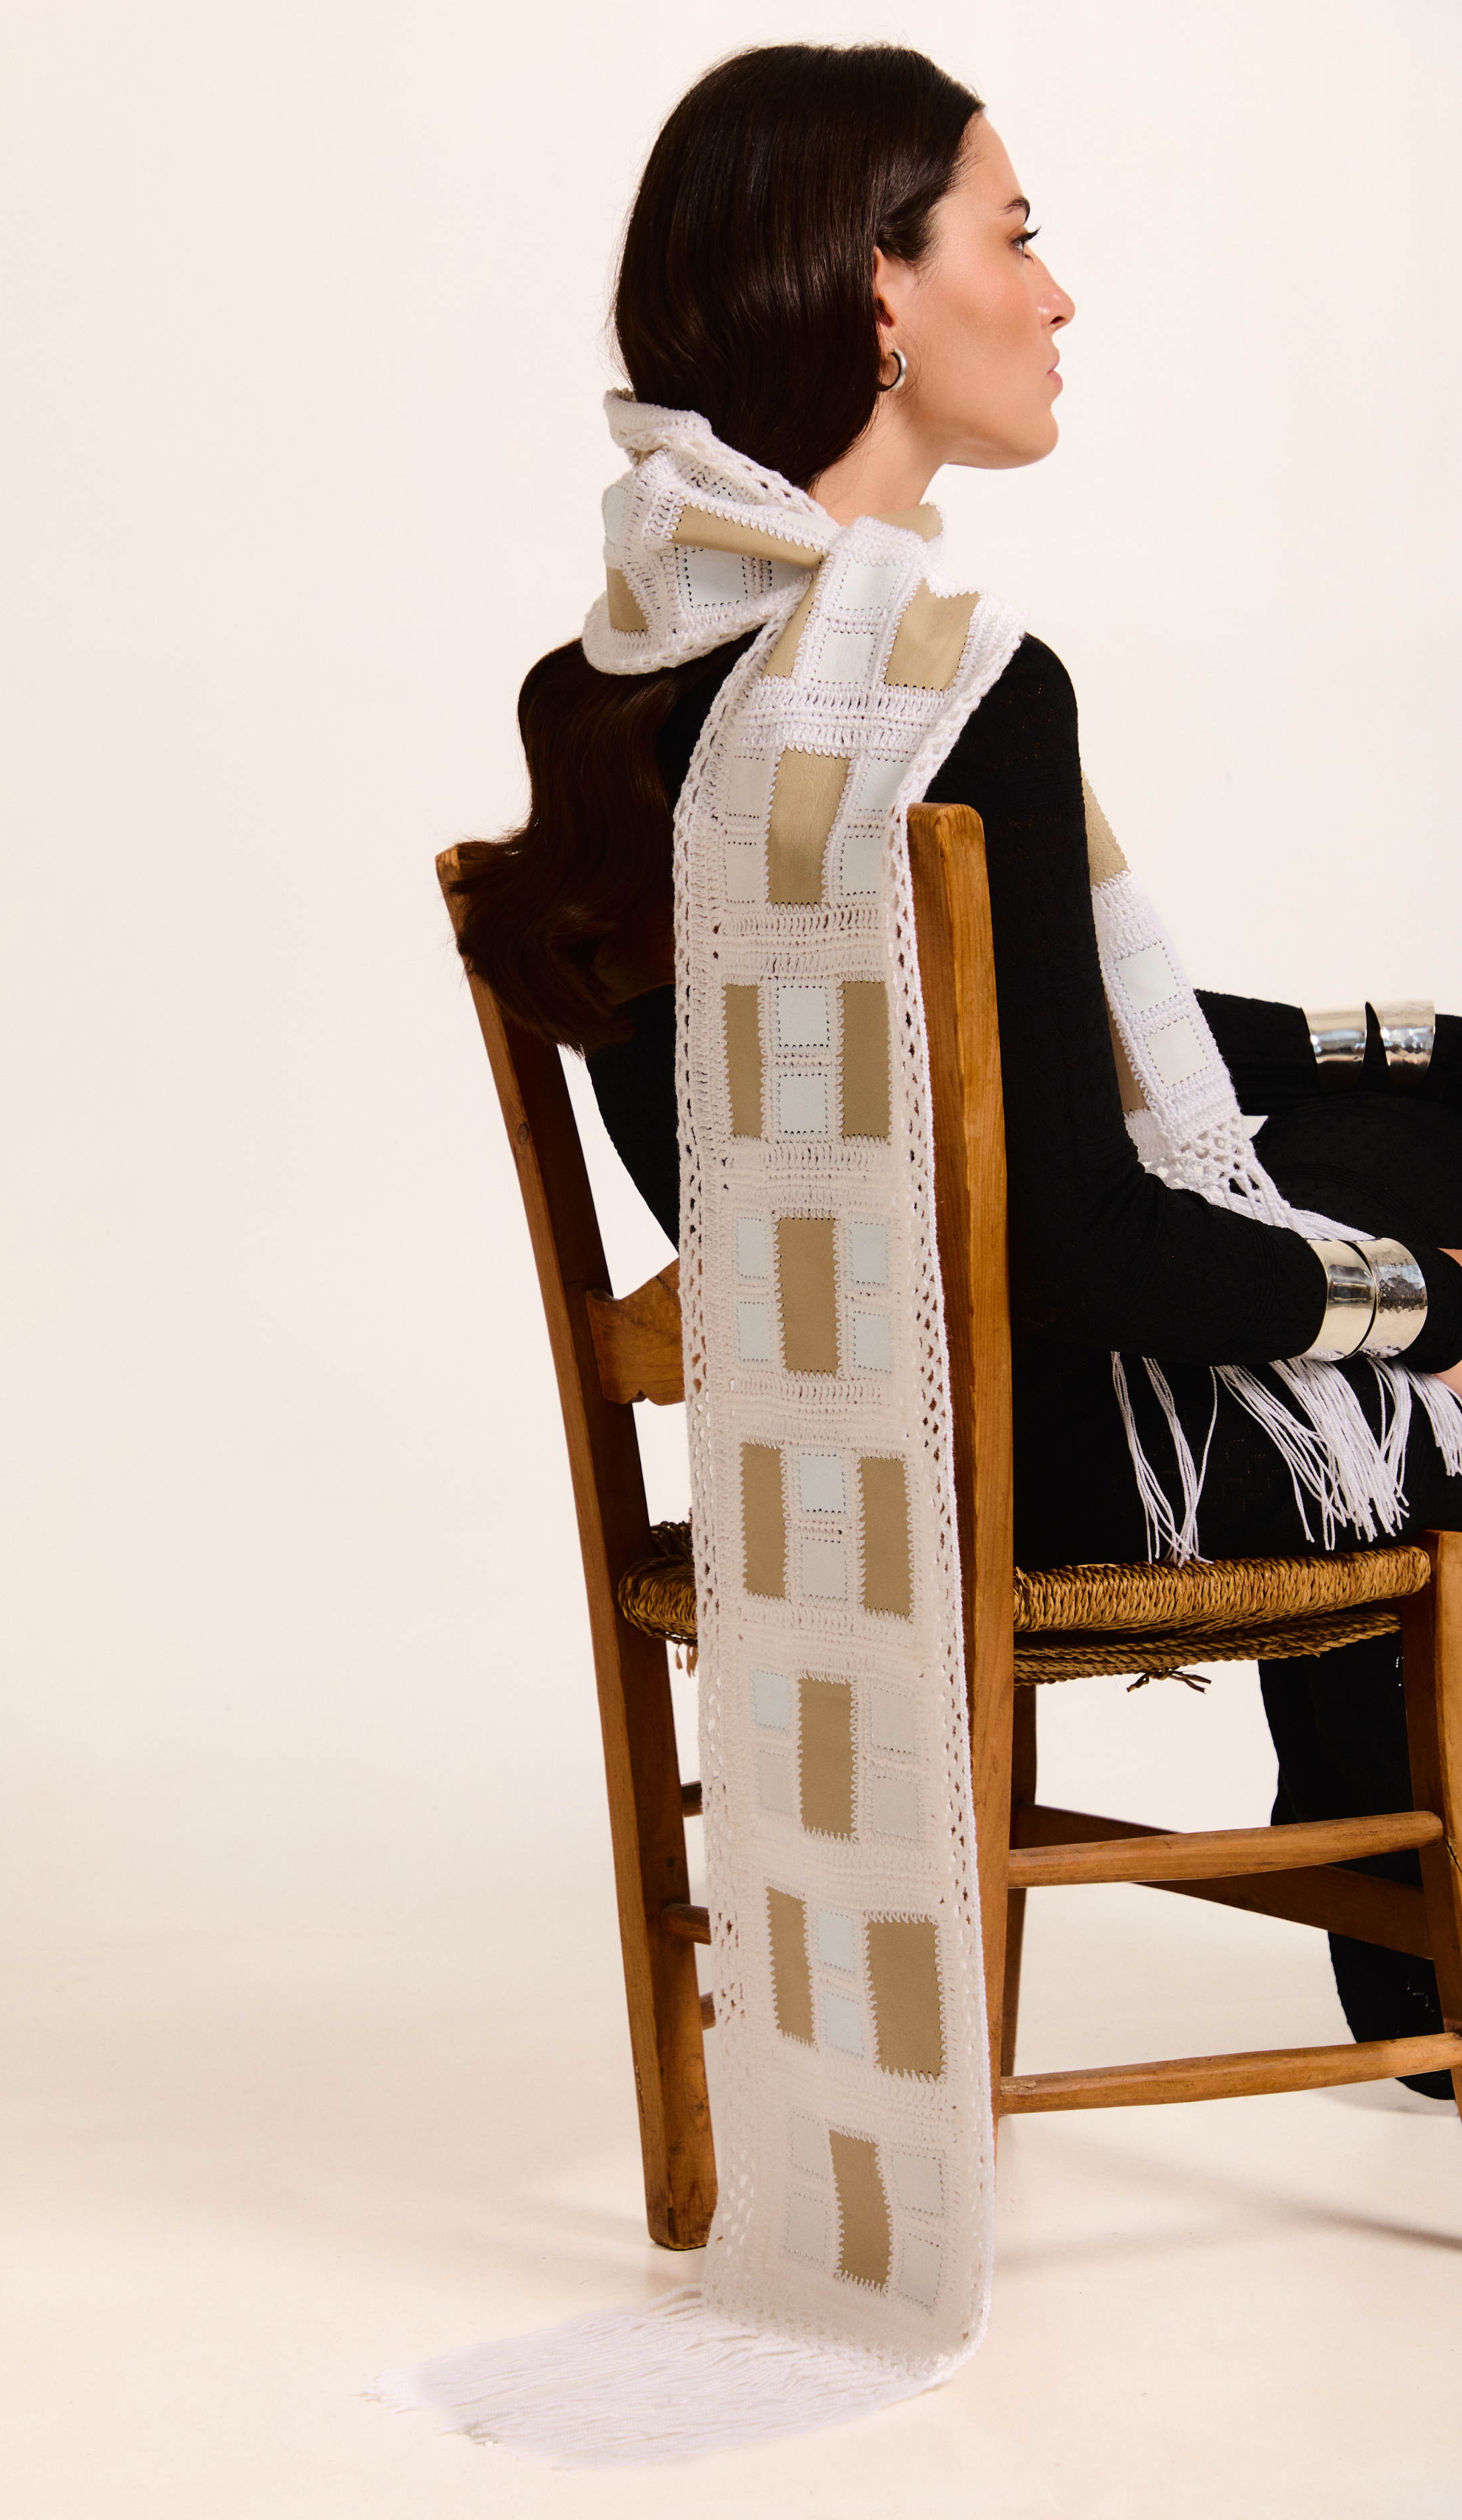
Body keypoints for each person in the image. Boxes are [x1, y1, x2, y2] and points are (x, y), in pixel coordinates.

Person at [452, 42, 1462, 2091]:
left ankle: (1414, 1987)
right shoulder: (946, 694)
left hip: (828, 1443)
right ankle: (1424, 1987)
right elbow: (1084, 1234)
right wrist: (1412, 1302)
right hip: (1031, 1454)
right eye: (1015, 234)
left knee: (1391, 1122)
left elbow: (1015, 1053)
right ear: (877, 288)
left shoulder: (631, 678)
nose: (1058, 293)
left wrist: (1412, 1036)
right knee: (1407, 1232)